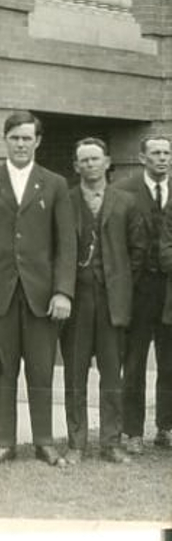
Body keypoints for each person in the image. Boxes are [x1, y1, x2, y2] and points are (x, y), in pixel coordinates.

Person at [0, 111, 75, 467]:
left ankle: (44, 442)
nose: (21, 144)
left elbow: (65, 243)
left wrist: (62, 291)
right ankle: (5, 442)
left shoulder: (55, 184)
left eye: (27, 138)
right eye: (15, 138)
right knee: (3, 370)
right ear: (5, 140)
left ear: (38, 141)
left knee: (41, 370)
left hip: (42, 296)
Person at [62, 138, 133, 463]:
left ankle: (111, 442)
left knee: (111, 374)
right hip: (76, 301)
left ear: (107, 162)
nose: (90, 165)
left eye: (95, 159)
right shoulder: (65, 200)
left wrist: (123, 289)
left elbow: (137, 252)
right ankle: (76, 444)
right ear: (76, 166)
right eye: (83, 160)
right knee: (74, 374)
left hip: (112, 301)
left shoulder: (125, 202)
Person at [118, 134, 170, 453]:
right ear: (142, 158)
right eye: (155, 153)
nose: (162, 158)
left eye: (166, 153)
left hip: (170, 290)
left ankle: (166, 427)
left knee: (170, 363)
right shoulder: (124, 192)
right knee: (134, 362)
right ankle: (133, 432)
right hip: (139, 290)